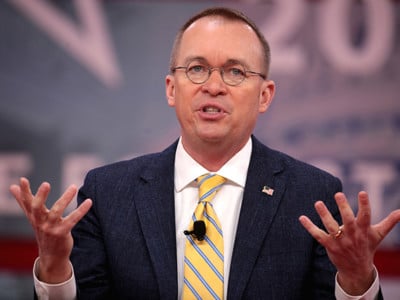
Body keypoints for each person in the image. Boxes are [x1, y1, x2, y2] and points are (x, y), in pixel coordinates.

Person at [10, 6, 400, 300]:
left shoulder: (310, 193)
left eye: (235, 72)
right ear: (170, 88)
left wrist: (355, 279)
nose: (213, 86)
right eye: (196, 69)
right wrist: (56, 268)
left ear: (265, 96)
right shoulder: (109, 192)